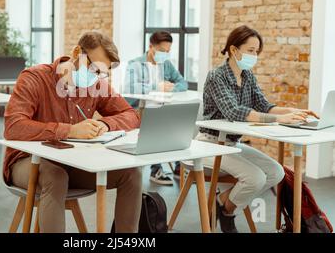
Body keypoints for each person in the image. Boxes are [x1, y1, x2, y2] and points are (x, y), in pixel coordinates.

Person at [3, 31, 142, 233]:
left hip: (74, 163)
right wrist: (70, 130)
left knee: (131, 174)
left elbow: (131, 114)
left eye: (101, 73)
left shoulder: (95, 84)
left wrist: (106, 124)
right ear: (77, 52)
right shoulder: (34, 78)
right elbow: (14, 127)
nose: (95, 76)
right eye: (93, 68)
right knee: (56, 177)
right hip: (27, 163)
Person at [198, 25, 319, 233]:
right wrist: (276, 119)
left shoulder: (247, 76)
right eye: (251, 50)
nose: (254, 55)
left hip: (232, 144)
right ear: (234, 50)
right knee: (256, 178)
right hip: (209, 145)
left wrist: (295, 111)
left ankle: (223, 204)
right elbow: (234, 111)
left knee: (276, 172)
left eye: (256, 51)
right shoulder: (216, 76)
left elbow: (264, 105)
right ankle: (228, 212)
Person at [125, 31, 188, 186]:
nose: (165, 54)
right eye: (162, 51)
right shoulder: (135, 63)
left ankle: (179, 166)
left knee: (181, 120)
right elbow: (130, 87)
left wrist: (170, 89)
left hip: (162, 107)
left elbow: (182, 83)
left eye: (168, 51)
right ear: (151, 47)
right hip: (140, 109)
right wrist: (157, 86)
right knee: (157, 121)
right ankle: (156, 169)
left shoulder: (166, 64)